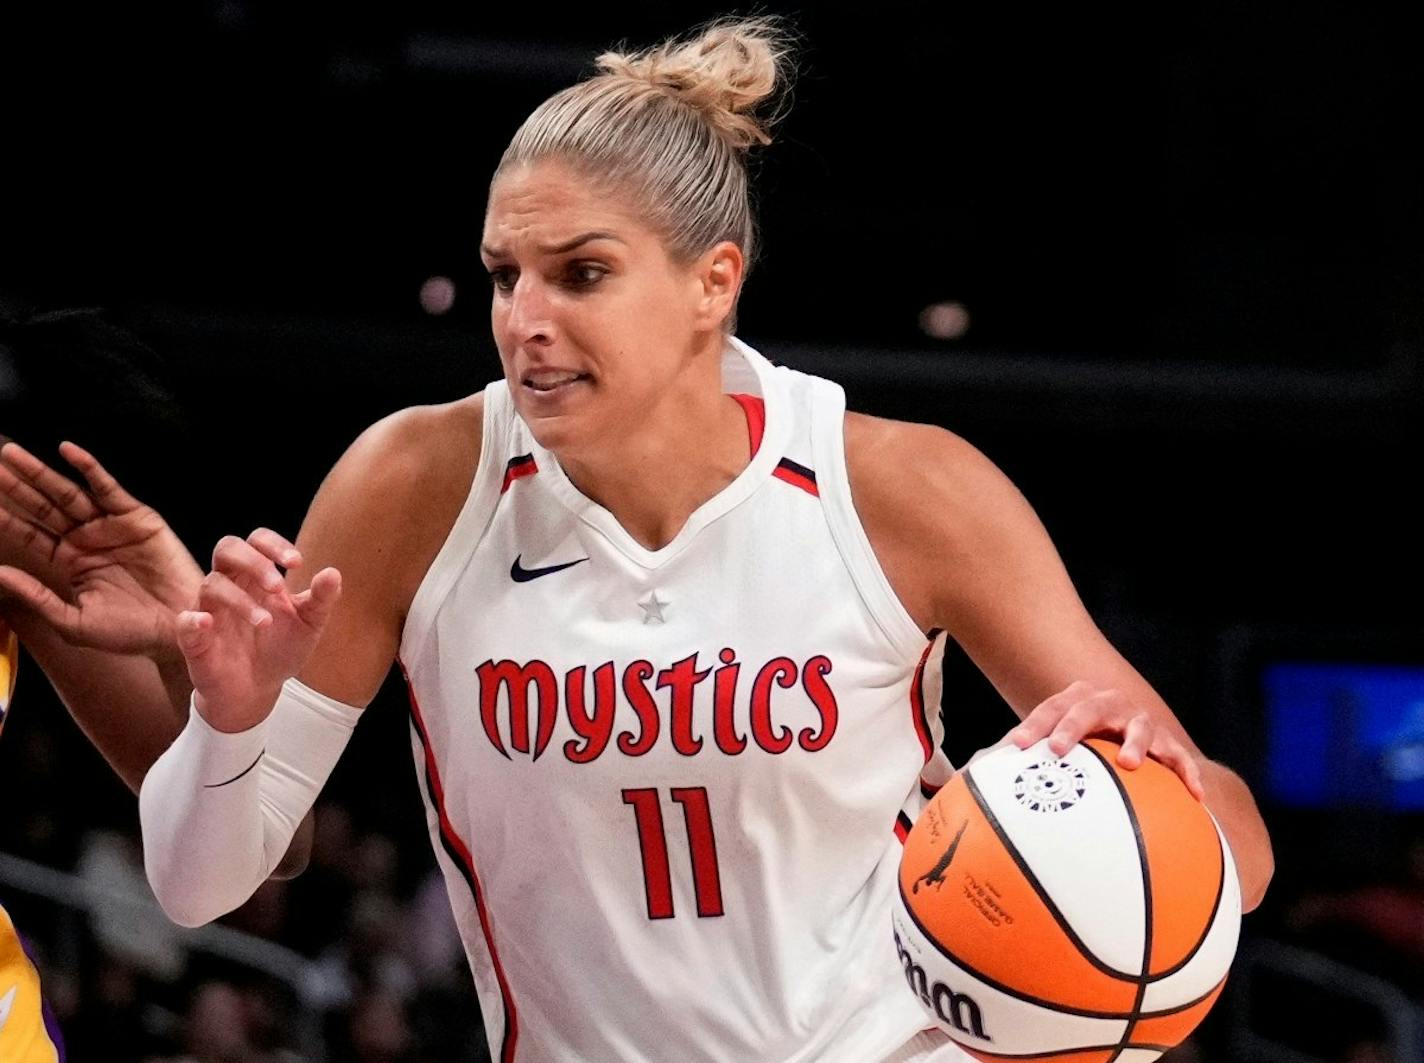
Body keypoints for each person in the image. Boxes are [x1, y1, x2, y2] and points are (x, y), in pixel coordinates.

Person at [18, 17, 1273, 1062]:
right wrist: (226, 719)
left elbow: (1234, 848)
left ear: (711, 283)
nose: (525, 320)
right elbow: (200, 886)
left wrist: (1153, 803)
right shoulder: (418, 480)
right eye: (506, 275)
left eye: (581, 273)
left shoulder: (899, 487)